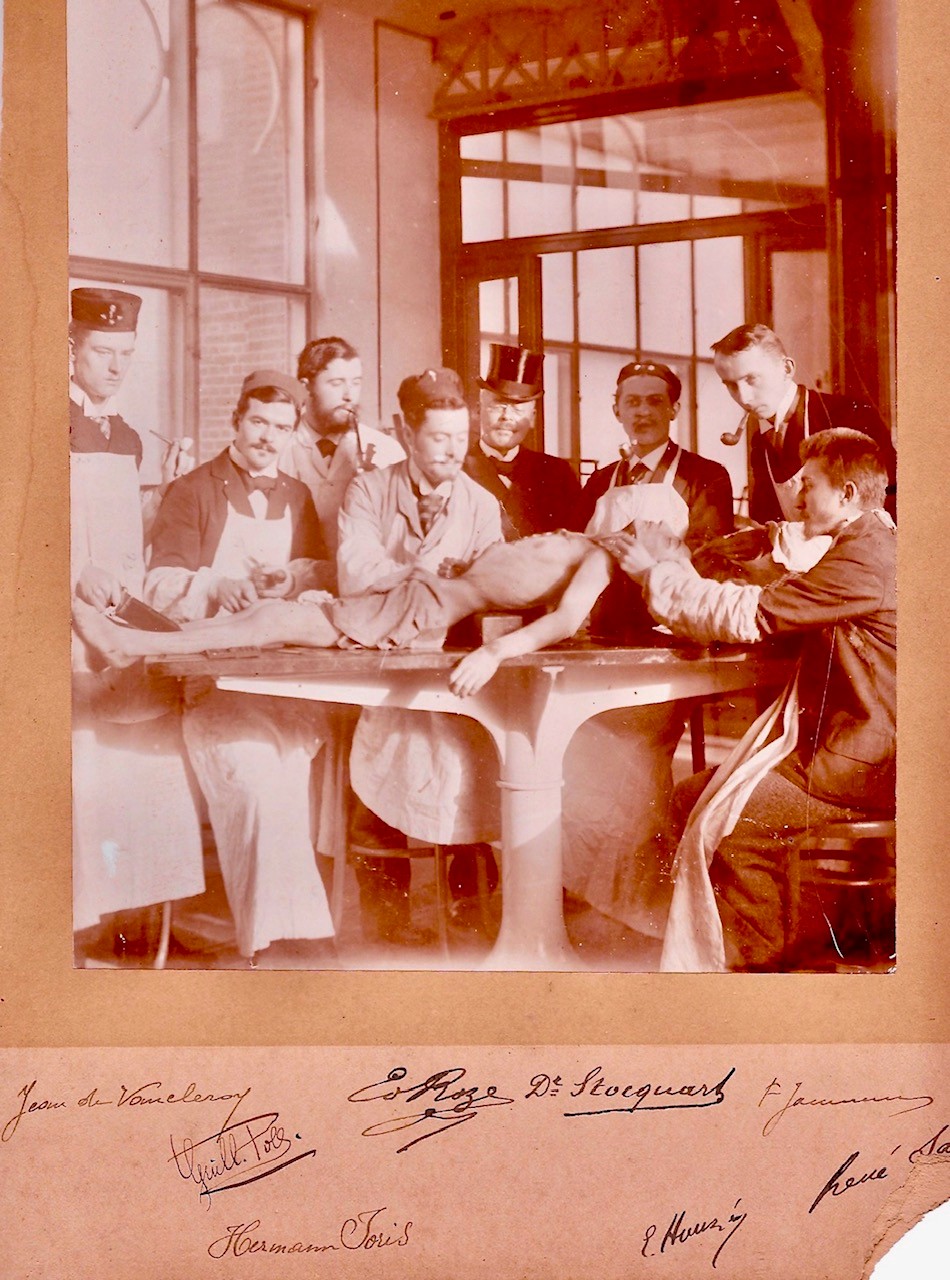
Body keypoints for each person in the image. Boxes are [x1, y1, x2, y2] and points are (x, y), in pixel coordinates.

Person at [608, 429, 896, 973]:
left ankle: (759, 969)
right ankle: (770, 943)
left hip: (862, 765)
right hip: (855, 749)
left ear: (847, 494)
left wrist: (654, 574)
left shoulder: (864, 560)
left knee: (732, 825)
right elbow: (800, 590)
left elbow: (751, 614)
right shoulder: (868, 542)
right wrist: (763, 556)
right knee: (690, 796)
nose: (797, 498)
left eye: (809, 486)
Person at [144, 369, 337, 962]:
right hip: (211, 684)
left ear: (293, 432)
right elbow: (157, 583)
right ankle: (275, 939)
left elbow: (321, 575)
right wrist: (214, 586)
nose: (267, 437)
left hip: (284, 686)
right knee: (254, 783)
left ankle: (295, 932)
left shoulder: (297, 496)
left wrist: (290, 579)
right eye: (258, 422)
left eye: (281, 427)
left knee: (292, 783)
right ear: (236, 421)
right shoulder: (193, 490)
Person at [562, 359, 736, 938]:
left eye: (654, 401)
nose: (642, 411)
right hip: (605, 647)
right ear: (616, 409)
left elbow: (709, 564)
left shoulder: (705, 477)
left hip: (672, 649)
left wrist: (653, 573)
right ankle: (587, 881)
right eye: (631, 401)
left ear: (673, 409)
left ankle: (640, 892)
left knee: (630, 751)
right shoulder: (599, 482)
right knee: (572, 742)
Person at [69, 286, 204, 960]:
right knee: (87, 773)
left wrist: (167, 492)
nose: (116, 366)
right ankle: (78, 927)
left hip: (121, 620)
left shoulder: (124, 435)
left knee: (151, 766)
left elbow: (131, 543)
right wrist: (73, 571)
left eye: (126, 353)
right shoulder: (38, 424)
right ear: (71, 347)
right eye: (103, 351)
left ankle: (149, 924)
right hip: (66, 630)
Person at [711, 322, 897, 524]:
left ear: (786, 368)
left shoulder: (850, 415)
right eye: (731, 385)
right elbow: (767, 518)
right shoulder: (760, 444)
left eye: (751, 379)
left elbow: (890, 502)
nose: (743, 397)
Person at [282, 336, 404, 556]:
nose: (349, 395)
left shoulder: (386, 450)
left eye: (356, 382)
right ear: (306, 387)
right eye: (336, 383)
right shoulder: (279, 449)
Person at [463, 342, 582, 537]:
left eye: (518, 409)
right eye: (499, 405)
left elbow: (575, 541)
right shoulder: (457, 469)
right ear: (478, 410)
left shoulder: (558, 474)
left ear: (532, 418)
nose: (507, 417)